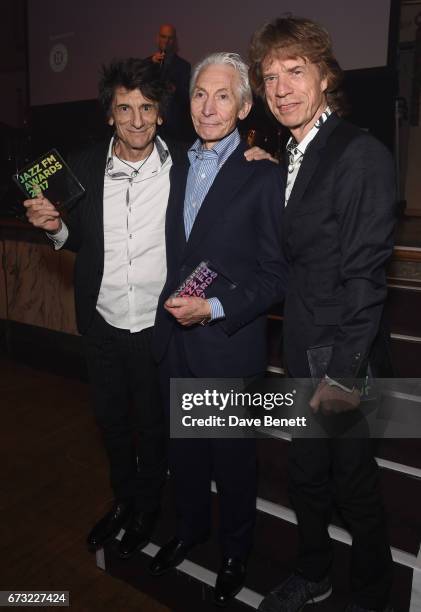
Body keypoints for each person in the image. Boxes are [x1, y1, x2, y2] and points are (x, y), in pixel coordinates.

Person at [248, 17, 396, 612]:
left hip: (343, 357)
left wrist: (341, 375)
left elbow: (366, 279)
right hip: (305, 348)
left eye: (294, 71)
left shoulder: (357, 153)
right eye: (269, 77)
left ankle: (373, 592)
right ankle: (315, 573)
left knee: (353, 484)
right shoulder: (293, 154)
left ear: (324, 75)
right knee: (307, 474)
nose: (280, 88)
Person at [23, 58, 181, 560]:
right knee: (112, 423)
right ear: (109, 115)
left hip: (157, 325)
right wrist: (52, 226)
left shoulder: (185, 165)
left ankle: (149, 506)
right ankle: (125, 501)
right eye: (125, 108)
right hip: (102, 321)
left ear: (160, 114)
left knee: (154, 425)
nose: (136, 119)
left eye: (146, 108)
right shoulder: (84, 167)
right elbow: (80, 243)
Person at [150, 52, 287, 606]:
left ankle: (235, 550)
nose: (208, 107)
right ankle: (189, 529)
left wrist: (218, 308)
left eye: (223, 95)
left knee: (232, 461)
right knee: (183, 454)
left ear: (245, 105)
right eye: (199, 94)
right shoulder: (174, 165)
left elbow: (278, 276)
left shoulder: (263, 175)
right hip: (173, 344)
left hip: (226, 345)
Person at [148, 23, 193, 141]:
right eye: (163, 37)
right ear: (157, 39)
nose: (166, 41)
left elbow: (188, 98)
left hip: (174, 129)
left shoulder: (184, 66)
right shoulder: (148, 64)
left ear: (174, 41)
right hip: (150, 125)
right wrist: (150, 63)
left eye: (170, 38)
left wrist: (175, 89)